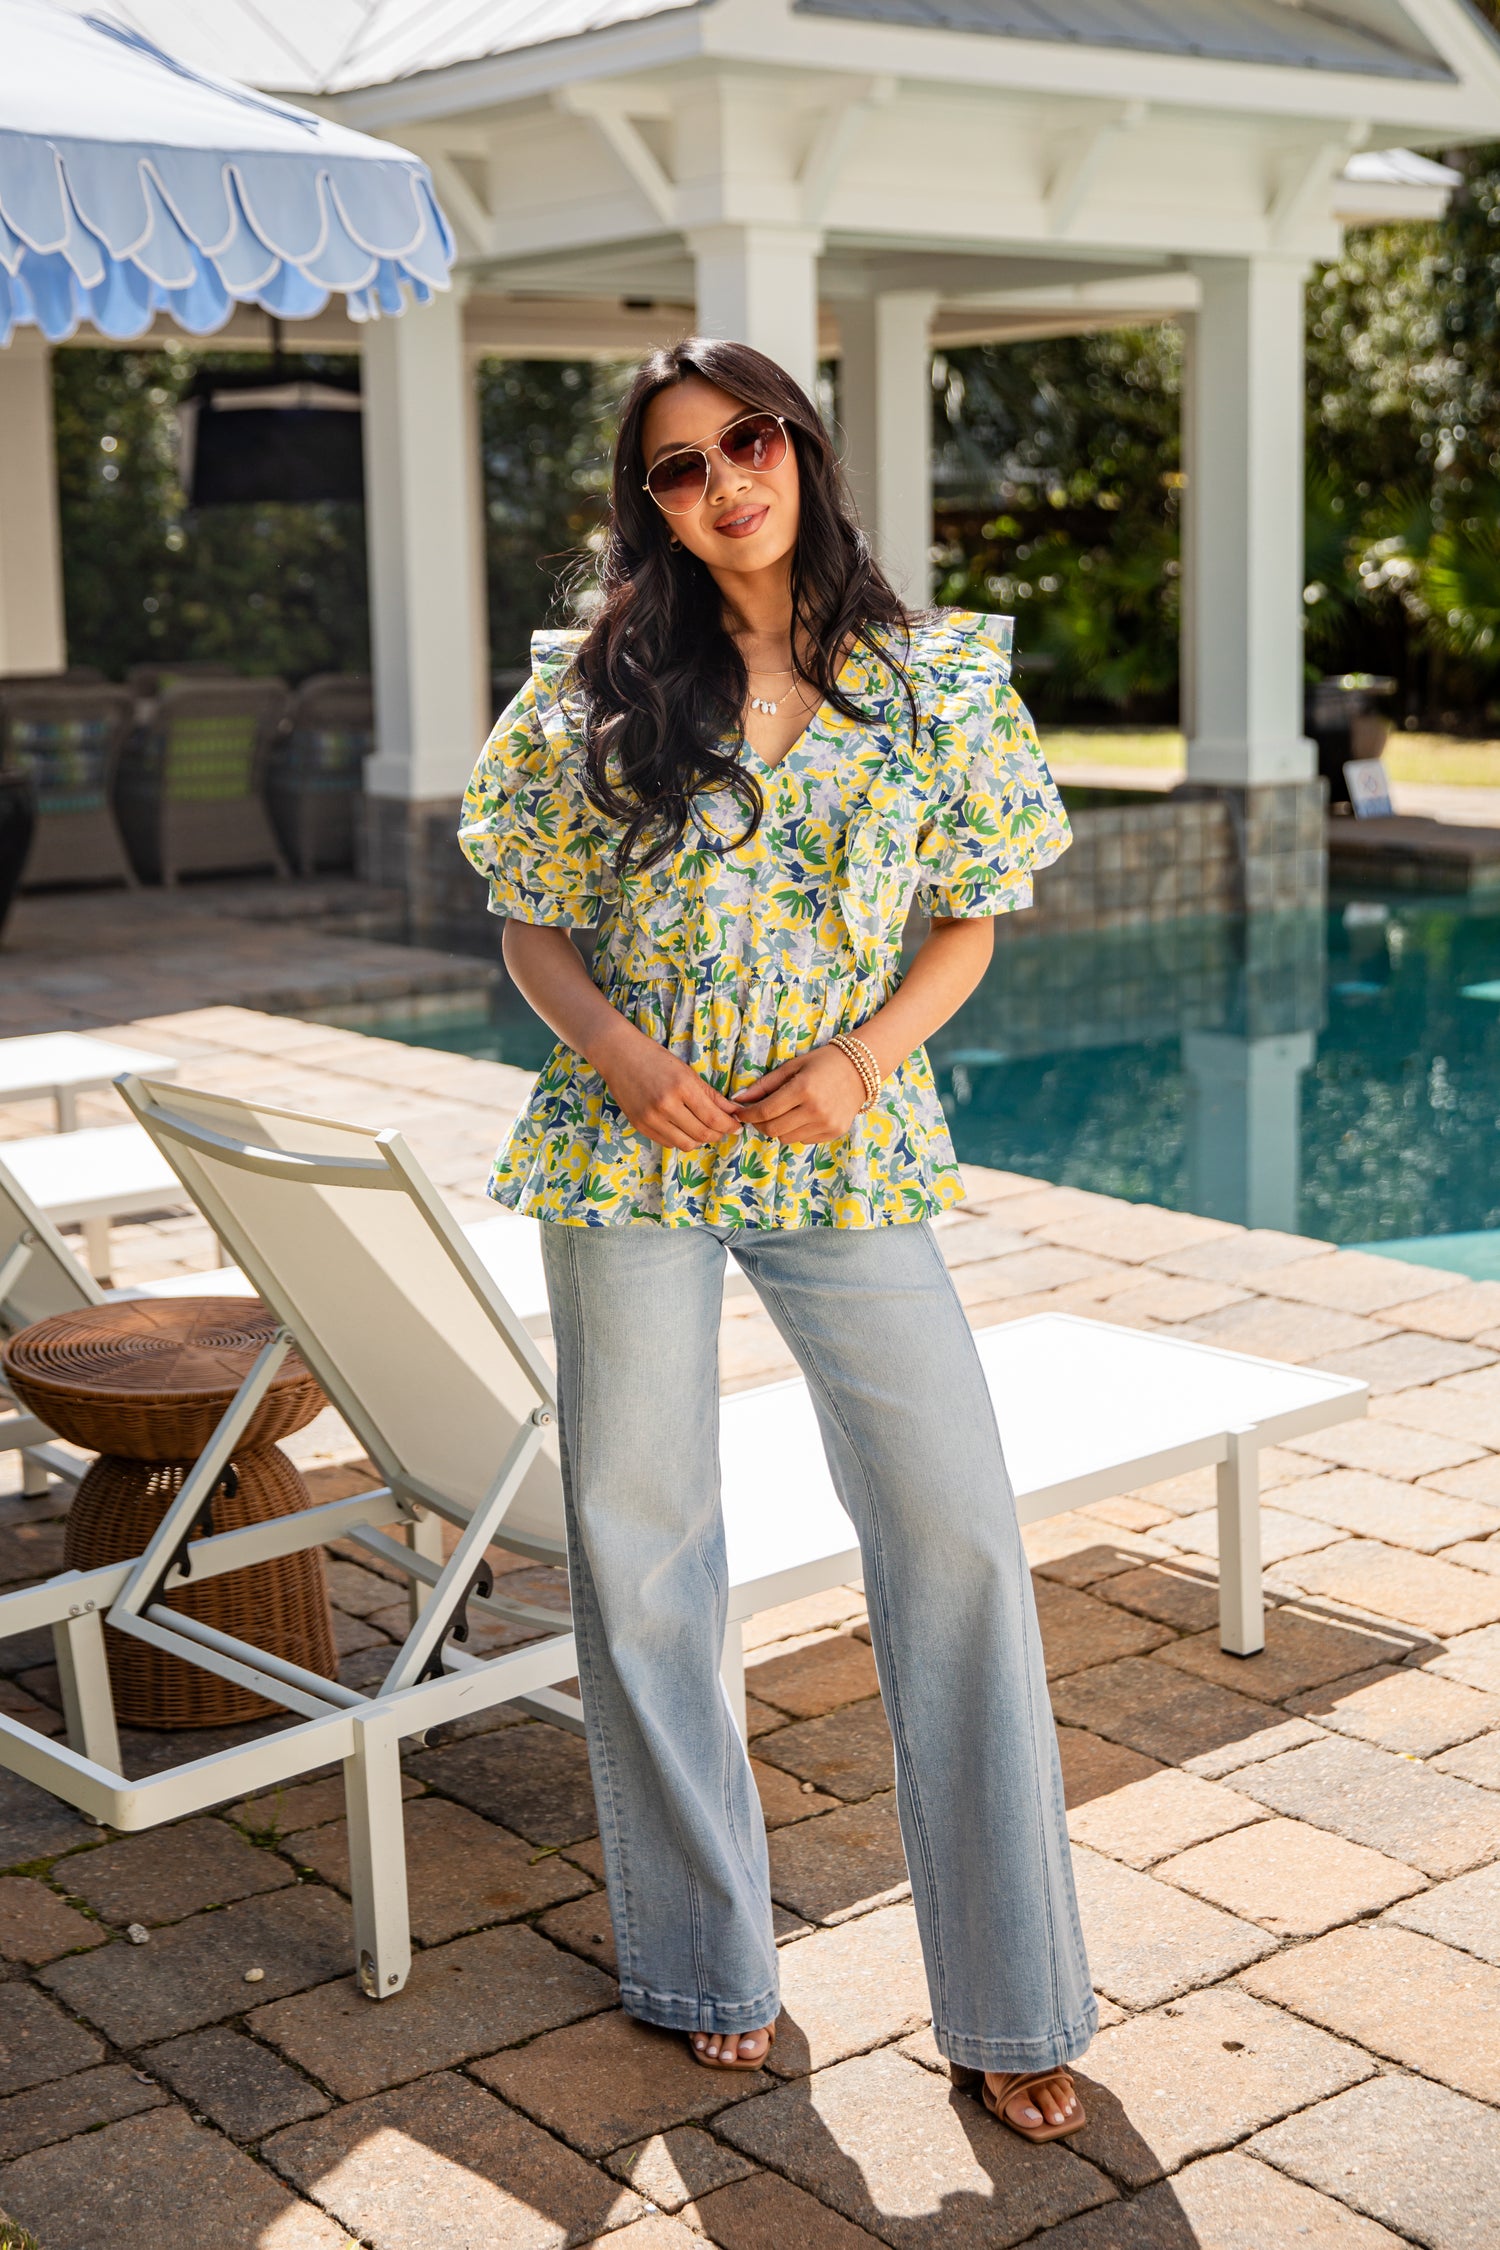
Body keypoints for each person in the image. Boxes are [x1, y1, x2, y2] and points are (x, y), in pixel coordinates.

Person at [458, 337, 1093, 2140]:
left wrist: (864, 1057)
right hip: (629, 1140)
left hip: (843, 1141)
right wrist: (619, 1052)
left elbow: (972, 919)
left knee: (956, 1527)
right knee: (645, 1544)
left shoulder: (939, 681)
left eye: (748, 439)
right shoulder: (598, 679)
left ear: (801, 449)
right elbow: (531, 924)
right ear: (646, 503)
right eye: (677, 464)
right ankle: (703, 1959)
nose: (724, 478)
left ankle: (1014, 1993)